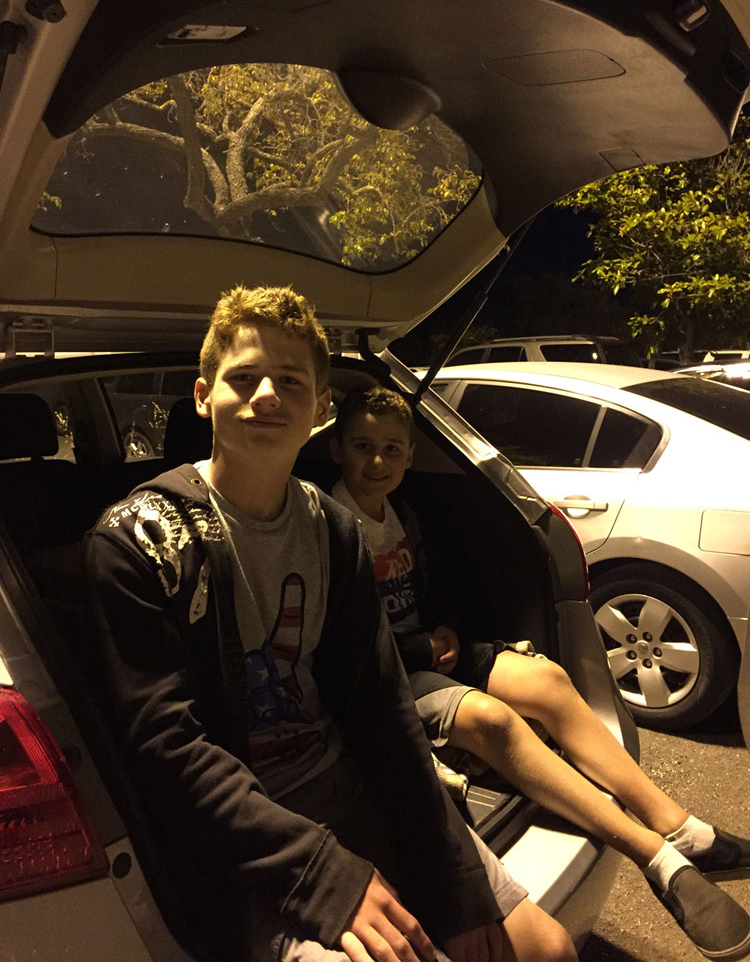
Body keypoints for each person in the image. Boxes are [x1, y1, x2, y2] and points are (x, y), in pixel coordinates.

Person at [85, 285, 578, 962]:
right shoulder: (138, 539)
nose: (266, 396)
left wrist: (454, 880)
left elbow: (384, 710)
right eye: (244, 378)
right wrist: (326, 874)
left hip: (354, 794)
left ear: (320, 411)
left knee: (547, 949)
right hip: (241, 847)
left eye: (290, 381)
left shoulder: (332, 527)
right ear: (203, 396)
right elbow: (166, 750)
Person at [330, 384, 750, 962]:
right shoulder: (331, 523)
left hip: (427, 651)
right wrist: (423, 647)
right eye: (362, 447)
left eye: (391, 449)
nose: (377, 462)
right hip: (387, 672)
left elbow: (430, 593)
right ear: (337, 450)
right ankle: (658, 859)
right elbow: (346, 641)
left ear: (409, 456)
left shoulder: (401, 514)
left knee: (548, 680)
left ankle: (680, 827)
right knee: (493, 718)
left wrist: (448, 631)